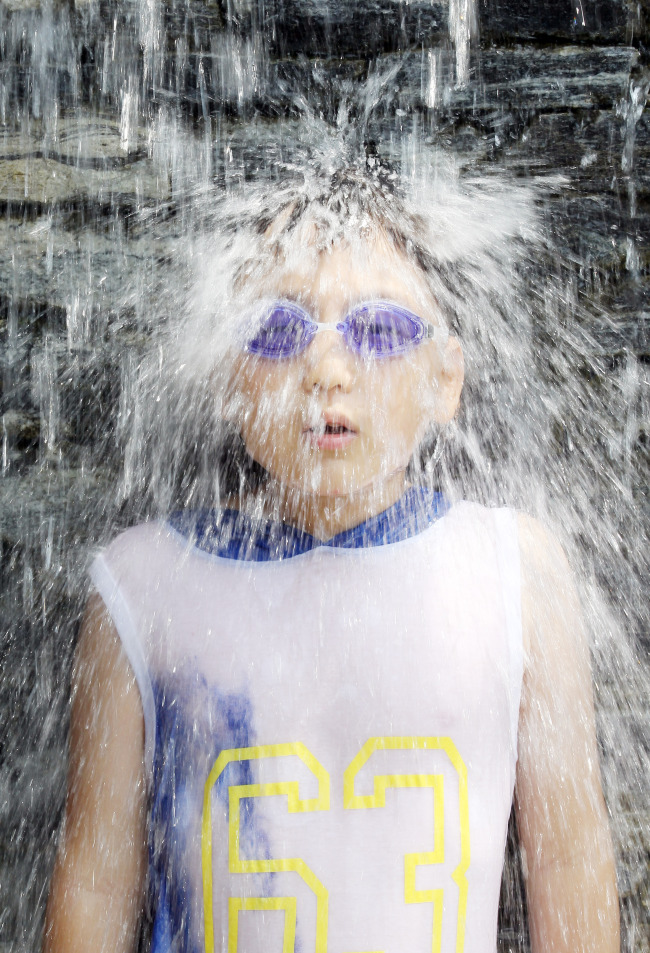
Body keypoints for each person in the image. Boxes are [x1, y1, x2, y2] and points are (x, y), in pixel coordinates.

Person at [44, 165, 620, 953]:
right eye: (276, 332)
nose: (327, 369)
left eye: (380, 330)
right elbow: (97, 878)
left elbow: (567, 855)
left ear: (446, 380)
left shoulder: (513, 571)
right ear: (227, 379)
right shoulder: (144, 589)